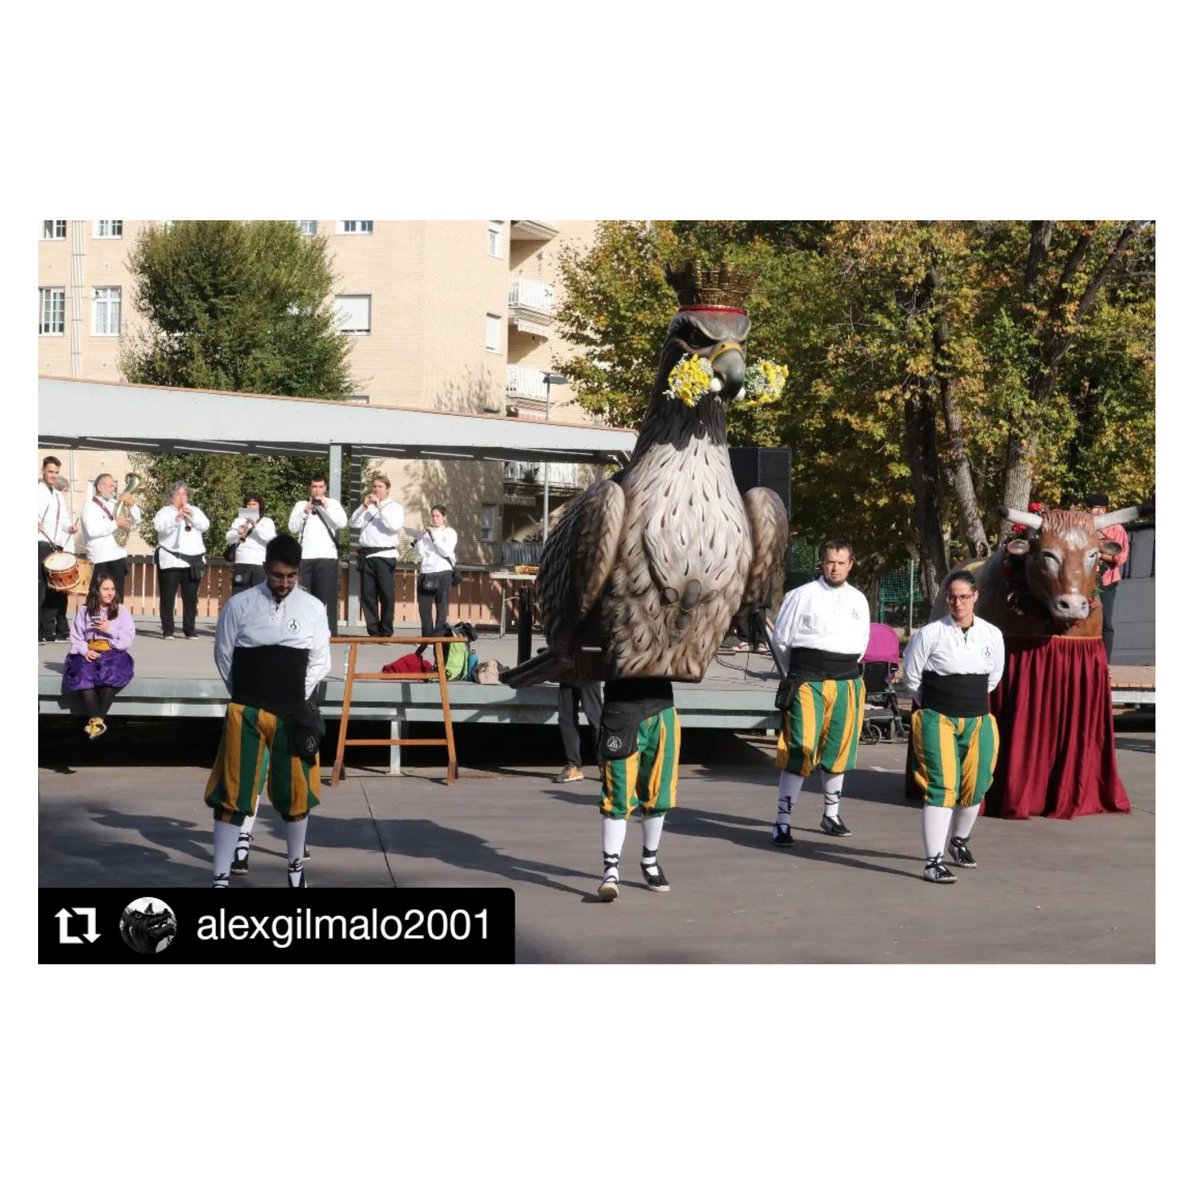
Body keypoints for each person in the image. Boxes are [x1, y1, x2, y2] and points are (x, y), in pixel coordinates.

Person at [204, 534, 331, 888]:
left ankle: (295, 873)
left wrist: (292, 696)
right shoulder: (239, 605)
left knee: (296, 795)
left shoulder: (312, 608)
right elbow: (224, 654)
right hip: (246, 711)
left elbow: (321, 660)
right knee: (232, 793)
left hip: (292, 713)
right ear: (265, 570)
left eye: (291, 576)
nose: (284, 583)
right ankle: (220, 878)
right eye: (278, 576)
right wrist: (246, 695)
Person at [902, 570, 1005, 884]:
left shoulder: (992, 634)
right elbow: (912, 676)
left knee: (977, 784)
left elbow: (993, 677)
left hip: (977, 717)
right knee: (942, 787)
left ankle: (958, 841)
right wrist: (937, 703)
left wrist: (967, 702)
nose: (958, 603)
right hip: (938, 717)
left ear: (975, 597)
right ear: (946, 598)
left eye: (964, 597)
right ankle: (933, 862)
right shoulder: (930, 633)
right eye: (952, 597)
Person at [768, 538, 870, 844]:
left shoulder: (858, 599)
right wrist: (798, 674)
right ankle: (783, 822)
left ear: (851, 565)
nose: (835, 568)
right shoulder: (801, 596)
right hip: (808, 681)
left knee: (837, 751)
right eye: (829, 562)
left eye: (841, 562)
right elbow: (781, 641)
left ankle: (831, 814)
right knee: (800, 749)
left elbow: (861, 643)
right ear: (821, 564)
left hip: (846, 682)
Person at [595, 679, 679, 901]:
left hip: (662, 706)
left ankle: (650, 861)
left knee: (659, 791)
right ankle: (610, 872)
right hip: (622, 709)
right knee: (617, 794)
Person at [63, 572, 136, 739]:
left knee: (110, 676)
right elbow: (76, 636)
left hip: (112, 651)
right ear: (97, 590)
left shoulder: (121, 611)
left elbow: (128, 638)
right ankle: (98, 722)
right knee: (83, 675)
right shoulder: (84, 610)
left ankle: (96, 722)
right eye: (105, 589)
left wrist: (108, 629)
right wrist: (84, 650)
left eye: (113, 589)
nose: (110, 593)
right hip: (90, 649)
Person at [288, 473, 347, 637]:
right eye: (314, 486)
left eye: (321, 487)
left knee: (321, 597)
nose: (317, 490)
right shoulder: (301, 504)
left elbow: (341, 523)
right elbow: (292, 527)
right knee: (303, 595)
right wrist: (304, 512)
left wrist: (325, 507)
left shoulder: (333, 504)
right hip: (305, 556)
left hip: (326, 556)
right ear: (310, 488)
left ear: (325, 488)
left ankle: (318, 630)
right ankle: (304, 629)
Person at [152, 482, 211, 639]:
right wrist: (177, 518)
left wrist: (191, 515)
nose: (181, 497)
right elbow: (159, 527)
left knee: (191, 597)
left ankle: (189, 629)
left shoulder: (195, 510)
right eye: (178, 494)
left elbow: (205, 525)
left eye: (184, 494)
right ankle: (168, 630)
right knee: (168, 597)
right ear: (171, 496)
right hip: (171, 560)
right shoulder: (165, 512)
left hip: (192, 560)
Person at [349, 473, 404, 637]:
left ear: (387, 490)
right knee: (368, 595)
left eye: (380, 486)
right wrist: (364, 506)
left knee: (386, 594)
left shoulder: (394, 507)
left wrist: (380, 507)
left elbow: (393, 526)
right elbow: (352, 523)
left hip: (385, 555)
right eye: (374, 486)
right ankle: (373, 631)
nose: (376, 489)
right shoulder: (368, 508)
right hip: (366, 555)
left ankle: (386, 631)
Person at [403, 505, 458, 653]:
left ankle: (438, 638)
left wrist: (433, 536)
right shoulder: (426, 533)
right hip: (426, 571)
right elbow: (422, 554)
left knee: (441, 605)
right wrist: (419, 539)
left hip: (443, 571)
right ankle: (426, 638)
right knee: (424, 608)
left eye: (437, 516)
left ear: (444, 518)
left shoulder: (449, 532)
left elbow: (446, 550)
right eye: (432, 515)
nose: (434, 518)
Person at [81, 472, 140, 603]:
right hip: (100, 559)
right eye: (110, 486)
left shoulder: (115, 503)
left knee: (117, 597)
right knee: (97, 597)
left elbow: (137, 521)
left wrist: (132, 504)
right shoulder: (89, 507)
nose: (114, 488)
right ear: (99, 487)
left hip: (117, 557)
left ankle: (115, 622)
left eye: (114, 485)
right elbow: (92, 531)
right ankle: (95, 623)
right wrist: (115, 523)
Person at [37, 455, 78, 643]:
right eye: (50, 471)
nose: (53, 475)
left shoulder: (58, 495)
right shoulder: (35, 491)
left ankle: (47, 630)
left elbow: (64, 521)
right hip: (39, 543)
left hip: (54, 545)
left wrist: (70, 528)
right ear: (43, 471)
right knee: (40, 589)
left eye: (56, 472)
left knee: (53, 589)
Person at [1087, 493, 1129, 663]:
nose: (1090, 511)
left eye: (1094, 508)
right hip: (1087, 580)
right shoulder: (1086, 527)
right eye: (1089, 508)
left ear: (1103, 509)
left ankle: (1105, 663)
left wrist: (1099, 554)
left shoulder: (1116, 529)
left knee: (1105, 622)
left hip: (1106, 580)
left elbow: (1120, 558)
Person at [224, 492, 276, 594]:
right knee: (238, 594)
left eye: (254, 504)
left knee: (260, 595)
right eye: (249, 504)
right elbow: (228, 538)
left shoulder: (266, 521)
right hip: (241, 561)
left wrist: (256, 526)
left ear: (259, 506)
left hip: (259, 563)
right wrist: (238, 532)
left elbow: (272, 539)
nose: (251, 507)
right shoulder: (239, 520)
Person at [554, 680, 603, 783]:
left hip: (589, 671)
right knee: (566, 718)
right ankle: (573, 766)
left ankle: (604, 766)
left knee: (595, 718)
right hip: (567, 670)